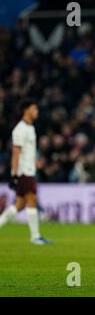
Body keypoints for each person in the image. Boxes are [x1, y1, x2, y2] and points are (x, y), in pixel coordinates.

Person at [0, 98, 52, 245]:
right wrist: (14, 174)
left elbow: (28, 152)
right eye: (34, 109)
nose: (37, 112)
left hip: (29, 170)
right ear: (26, 110)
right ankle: (35, 237)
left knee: (20, 204)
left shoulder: (30, 128)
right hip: (24, 172)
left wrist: (36, 162)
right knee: (32, 200)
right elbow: (16, 153)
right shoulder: (20, 129)